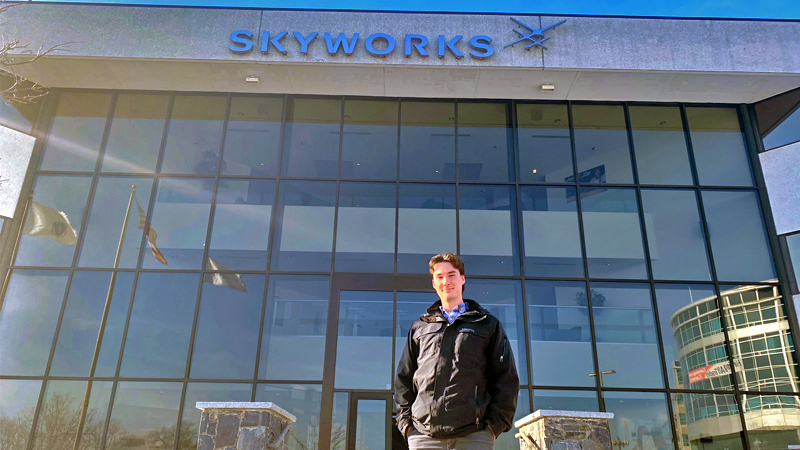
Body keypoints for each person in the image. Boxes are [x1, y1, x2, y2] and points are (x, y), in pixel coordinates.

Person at [394, 252, 519, 450]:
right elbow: (404, 380)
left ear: (462, 279)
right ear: (434, 283)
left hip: (474, 436)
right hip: (424, 437)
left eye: (451, 275)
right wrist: (407, 426)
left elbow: (506, 379)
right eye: (440, 277)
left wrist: (493, 427)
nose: (446, 281)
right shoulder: (420, 327)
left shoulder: (486, 325)